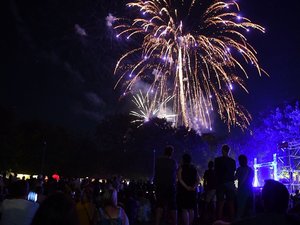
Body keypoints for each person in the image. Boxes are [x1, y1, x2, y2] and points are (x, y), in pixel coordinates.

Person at [153, 145, 178, 225]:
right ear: (171, 153)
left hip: (160, 185)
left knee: (159, 205)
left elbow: (156, 172)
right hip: (171, 185)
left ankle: (157, 222)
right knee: (173, 206)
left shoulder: (158, 161)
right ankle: (175, 222)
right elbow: (176, 173)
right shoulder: (173, 162)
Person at [214, 144, 236, 221]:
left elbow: (215, 172)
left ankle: (219, 220)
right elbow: (233, 172)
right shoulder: (232, 161)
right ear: (229, 151)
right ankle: (232, 219)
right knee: (231, 202)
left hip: (220, 183)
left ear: (222, 150)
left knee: (220, 202)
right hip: (229, 182)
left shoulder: (217, 160)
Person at [177, 153, 200, 225]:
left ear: (183, 160)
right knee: (191, 209)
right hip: (192, 191)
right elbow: (198, 180)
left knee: (184, 209)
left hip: (183, 190)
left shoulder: (181, 168)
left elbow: (180, 179)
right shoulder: (194, 168)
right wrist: (194, 187)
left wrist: (187, 187)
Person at [235, 155, 254, 219]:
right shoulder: (250, 170)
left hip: (241, 192)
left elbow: (235, 178)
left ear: (241, 161)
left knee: (241, 209)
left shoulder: (239, 169)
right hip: (250, 191)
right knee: (250, 209)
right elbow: (251, 180)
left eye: (239, 161)